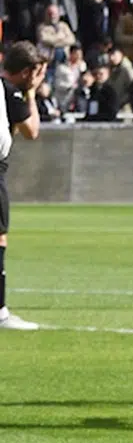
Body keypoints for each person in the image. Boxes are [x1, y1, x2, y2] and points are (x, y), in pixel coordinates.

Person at [0, 43, 43, 331]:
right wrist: (32, 93)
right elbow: (32, 131)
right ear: (26, 71)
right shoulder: (11, 92)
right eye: (36, 72)